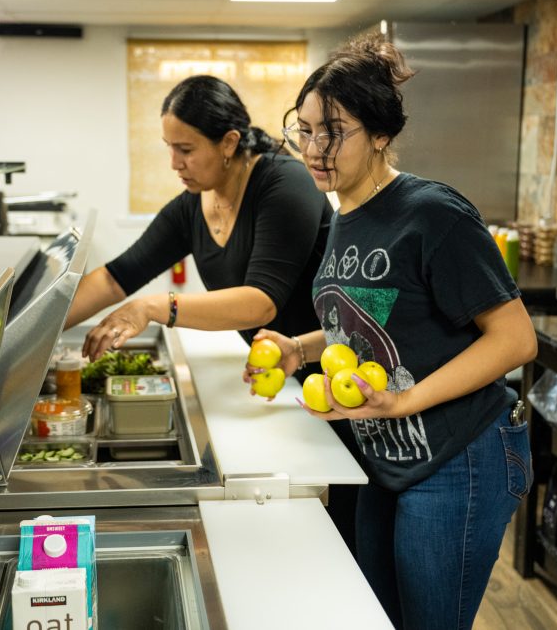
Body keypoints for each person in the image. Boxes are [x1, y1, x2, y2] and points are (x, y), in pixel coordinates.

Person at [245, 35, 537, 629]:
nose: (314, 148)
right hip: (387, 455)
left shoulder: (431, 212)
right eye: (304, 130)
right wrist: (298, 346)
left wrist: (403, 399)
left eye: (334, 131)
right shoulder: (343, 213)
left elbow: (515, 341)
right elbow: (371, 319)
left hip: (461, 457)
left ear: (380, 134)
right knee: (375, 616)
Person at [64, 75, 362, 554]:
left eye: (185, 149)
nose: (174, 164)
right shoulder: (193, 206)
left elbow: (261, 300)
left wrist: (156, 306)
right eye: (168, 148)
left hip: (330, 375)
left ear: (228, 143)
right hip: (275, 381)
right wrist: (28, 330)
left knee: (343, 534)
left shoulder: (284, 183)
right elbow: (119, 276)